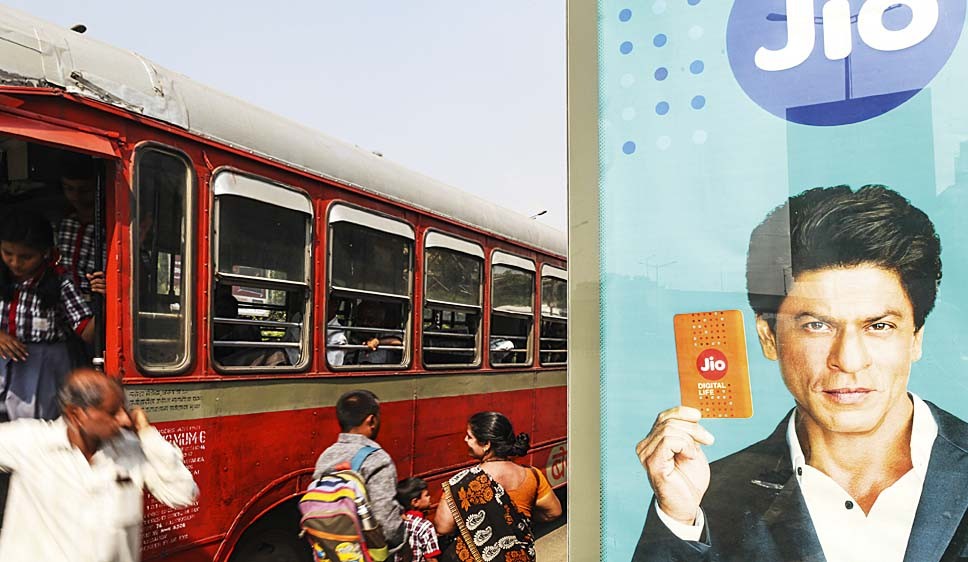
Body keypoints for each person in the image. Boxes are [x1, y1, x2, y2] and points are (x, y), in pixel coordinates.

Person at [632, 185, 968, 561]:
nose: (849, 360)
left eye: (879, 326)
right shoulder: (705, 499)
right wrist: (679, 521)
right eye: (817, 326)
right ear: (769, 337)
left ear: (915, 338)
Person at [0, 368, 198, 561]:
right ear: (76, 415)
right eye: (113, 413)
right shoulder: (30, 442)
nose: (125, 419)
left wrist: (147, 433)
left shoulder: (131, 451)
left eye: (123, 409)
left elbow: (182, 494)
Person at [0, 211, 100, 420]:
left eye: (26, 257)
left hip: (44, 366)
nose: (15, 263)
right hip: (3, 362)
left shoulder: (61, 282)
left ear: (45, 253)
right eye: (7, 253)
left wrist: (105, 300)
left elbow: (87, 332)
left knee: (35, 425)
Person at [434, 411, 562, 562]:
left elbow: (443, 527)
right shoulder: (533, 475)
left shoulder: (462, 483)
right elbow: (554, 512)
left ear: (486, 444)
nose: (465, 440)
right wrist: (517, 520)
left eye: (469, 437)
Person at [313, 389, 406, 551]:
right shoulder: (377, 459)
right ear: (372, 421)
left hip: (329, 551)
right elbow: (387, 527)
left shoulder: (326, 456)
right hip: (362, 553)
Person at [56, 154, 106, 302]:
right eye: (69, 188)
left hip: (96, 305)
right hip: (61, 304)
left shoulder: (112, 228)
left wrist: (109, 285)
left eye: (85, 190)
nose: (76, 196)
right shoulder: (61, 223)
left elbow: (138, 274)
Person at [395, 477, 440, 562]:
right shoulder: (426, 526)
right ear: (415, 502)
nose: (429, 497)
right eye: (426, 495)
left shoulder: (398, 520)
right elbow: (431, 558)